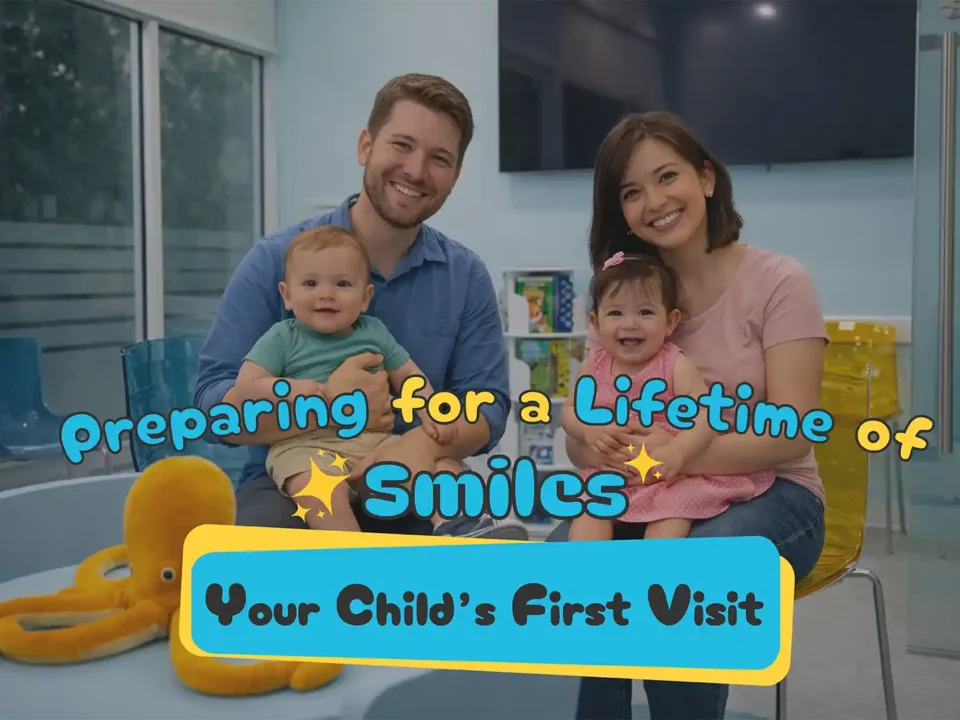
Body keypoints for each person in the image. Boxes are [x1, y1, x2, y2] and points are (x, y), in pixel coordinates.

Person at [557, 111, 827, 719]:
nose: (653, 201)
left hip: (775, 494)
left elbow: (787, 430)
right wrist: (594, 443)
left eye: (666, 177)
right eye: (630, 191)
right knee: (568, 574)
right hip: (637, 491)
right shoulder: (623, 300)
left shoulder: (780, 281)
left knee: (681, 583)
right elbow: (583, 430)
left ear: (706, 178)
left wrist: (670, 454)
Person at [194, 73, 529, 541]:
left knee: (483, 574)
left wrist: (416, 444)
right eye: (402, 145)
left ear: (454, 176)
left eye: (439, 159)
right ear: (365, 146)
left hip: (414, 469)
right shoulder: (275, 261)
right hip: (291, 481)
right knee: (260, 569)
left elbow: (487, 408)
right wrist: (328, 403)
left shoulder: (465, 276)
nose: (415, 170)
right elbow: (214, 409)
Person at [233, 224, 465, 534]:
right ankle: (349, 549)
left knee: (444, 467)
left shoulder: (373, 332)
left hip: (376, 444)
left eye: (342, 284)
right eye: (311, 283)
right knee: (317, 487)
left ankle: (459, 526)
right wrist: (293, 390)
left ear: (365, 297)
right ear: (286, 295)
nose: (326, 294)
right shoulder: (282, 338)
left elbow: (408, 374)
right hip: (306, 447)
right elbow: (247, 386)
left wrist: (432, 409)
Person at [561, 251, 775, 542]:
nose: (630, 324)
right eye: (615, 313)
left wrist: (678, 452)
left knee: (669, 521)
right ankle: (587, 578)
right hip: (613, 472)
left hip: (669, 475)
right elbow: (571, 410)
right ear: (596, 323)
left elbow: (705, 417)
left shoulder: (674, 364)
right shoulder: (593, 366)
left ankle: (658, 578)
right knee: (588, 514)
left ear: (671, 322)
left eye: (645, 312)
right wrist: (588, 429)